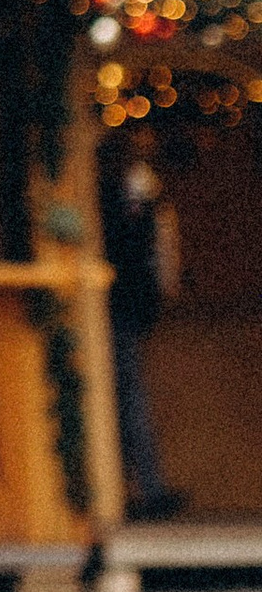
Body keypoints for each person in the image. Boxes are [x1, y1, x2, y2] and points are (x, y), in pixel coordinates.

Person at [98, 140, 185, 521]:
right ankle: (141, 488)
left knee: (125, 397)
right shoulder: (118, 196)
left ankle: (139, 487)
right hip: (120, 305)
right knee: (127, 399)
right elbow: (139, 251)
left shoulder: (134, 193)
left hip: (125, 307)